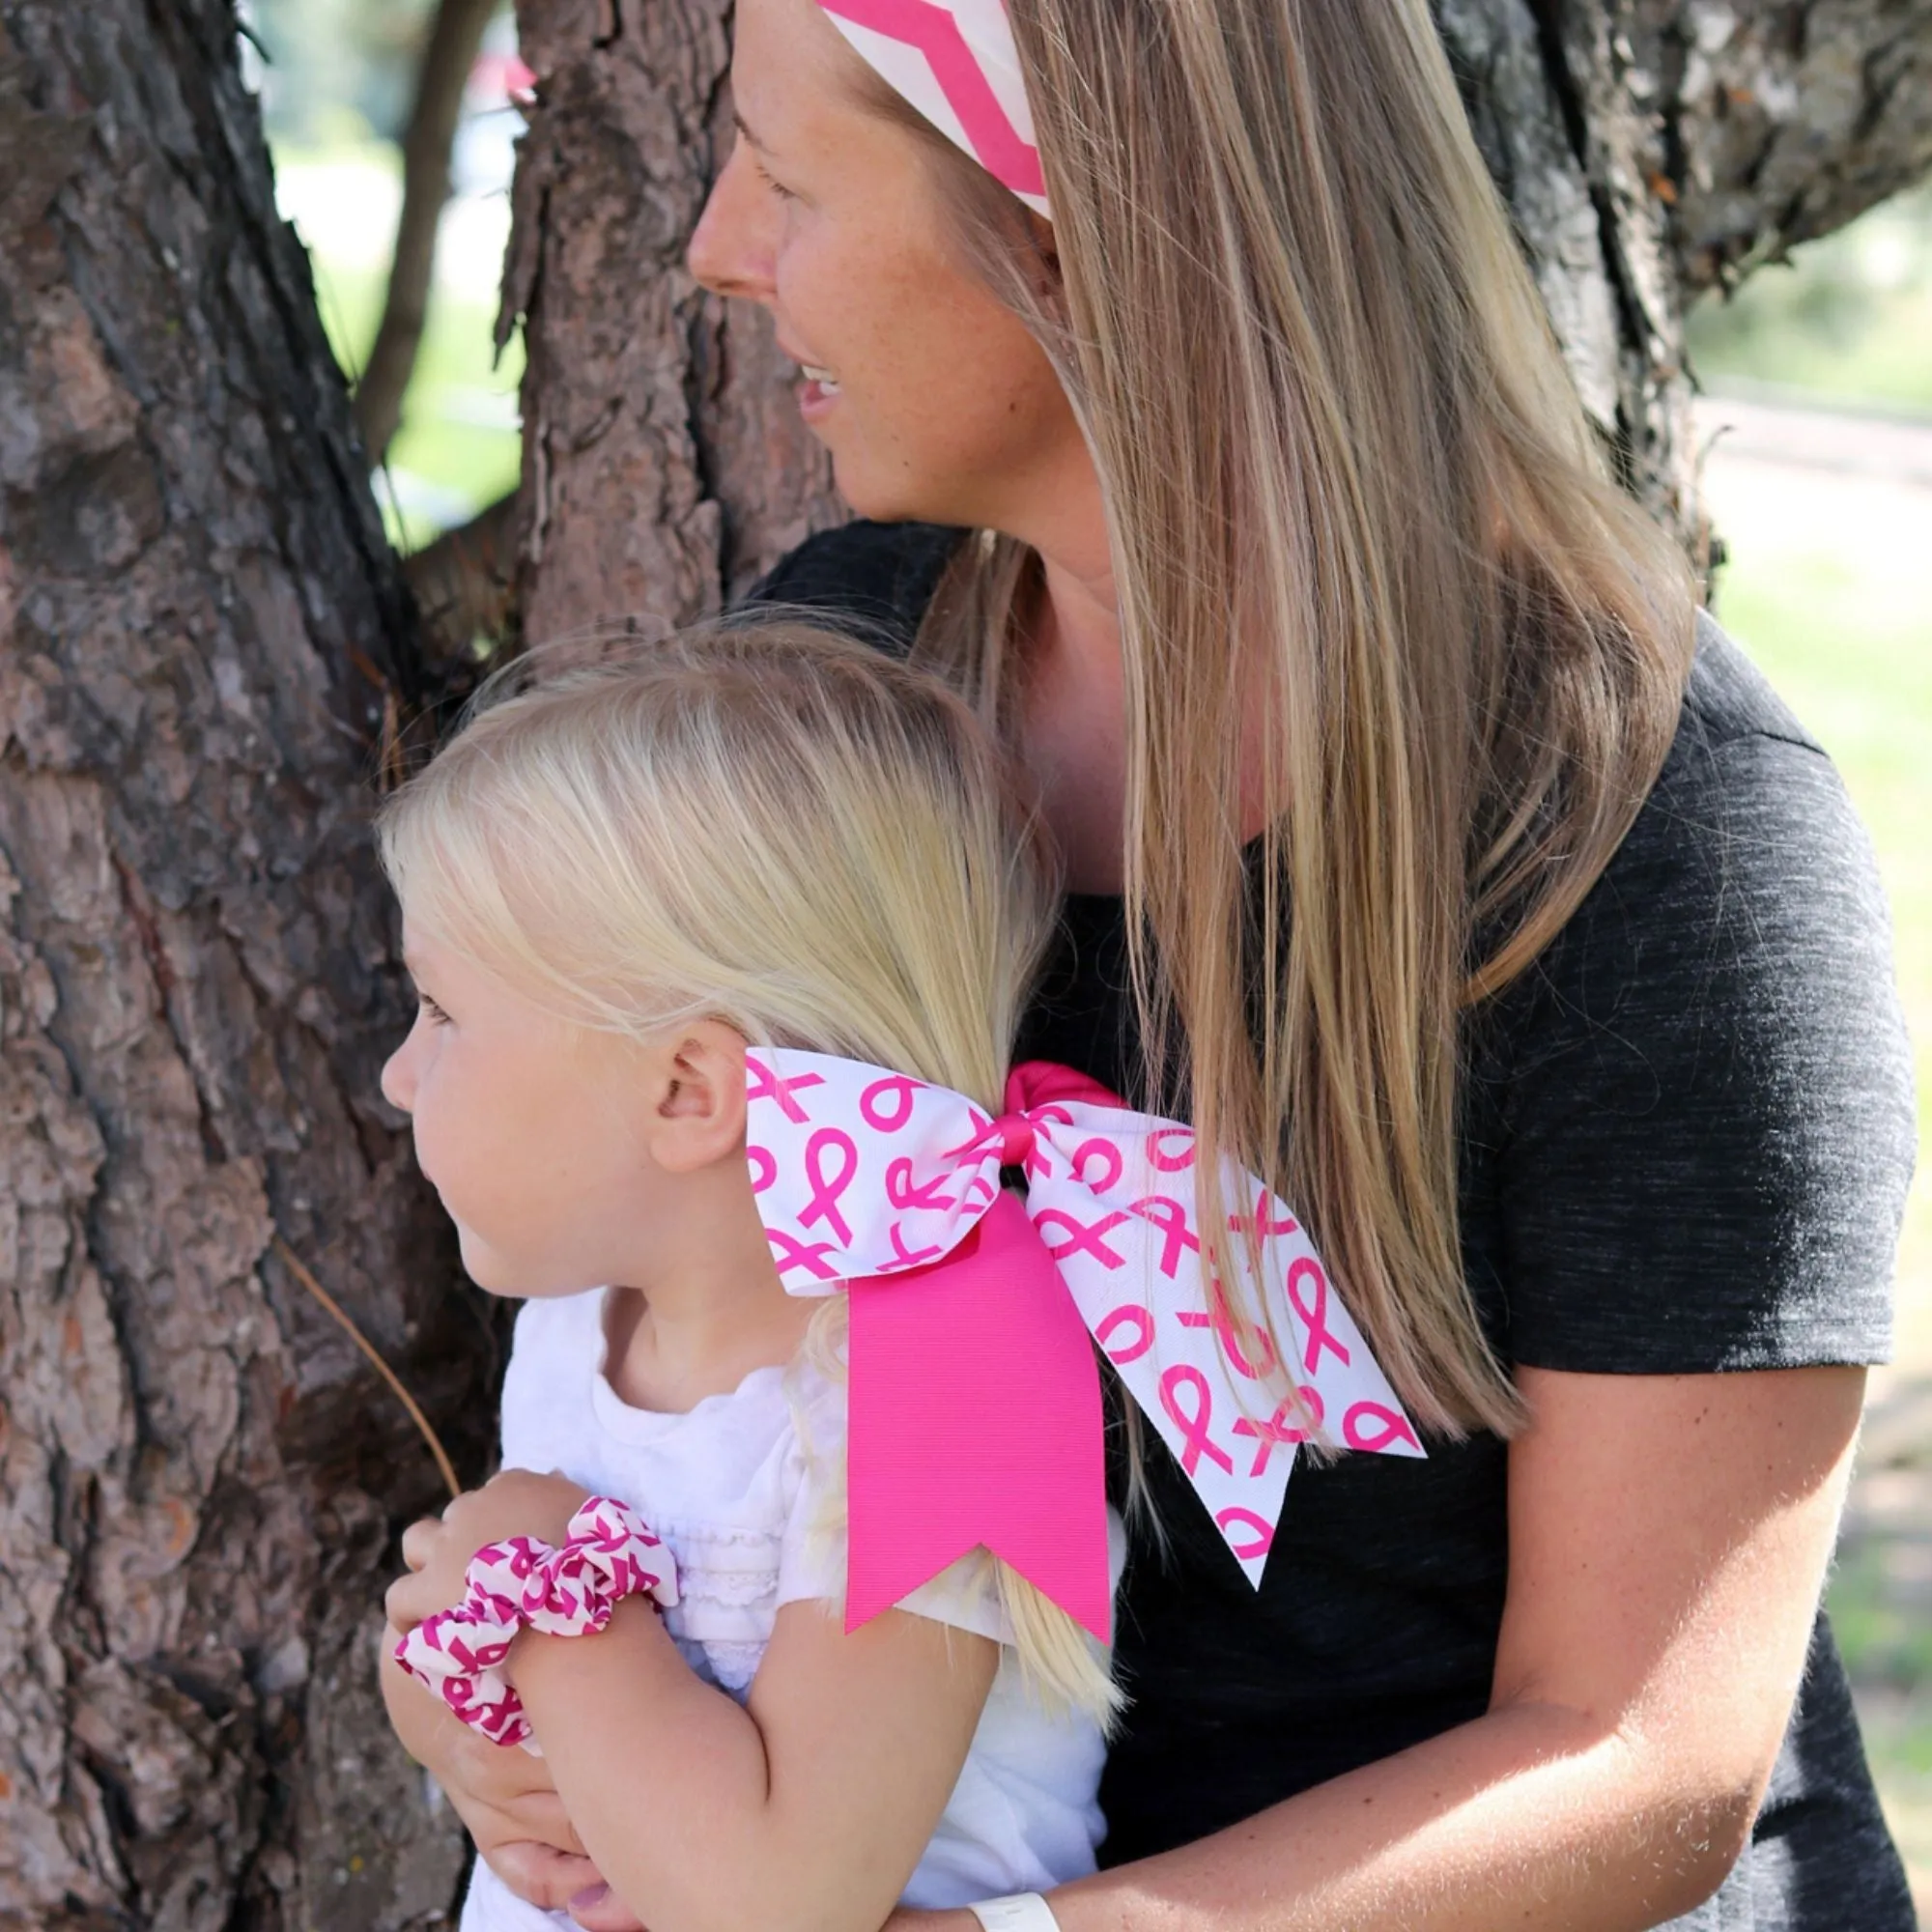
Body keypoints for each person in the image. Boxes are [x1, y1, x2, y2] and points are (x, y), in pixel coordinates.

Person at [403, 0, 1919, 1926]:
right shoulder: (845, 693)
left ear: (1068, 239)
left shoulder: (1650, 835)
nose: (713, 243)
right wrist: (506, 1693)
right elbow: (671, 1328)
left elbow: (1646, 1756)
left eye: (785, 177)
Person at [376, 627, 1127, 1930]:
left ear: (687, 1091)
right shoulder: (580, 1323)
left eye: (441, 1013)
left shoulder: (939, 1397)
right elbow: (455, 1627)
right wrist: (460, 1732)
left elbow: (775, 1903)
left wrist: (543, 1591)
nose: (397, 1076)